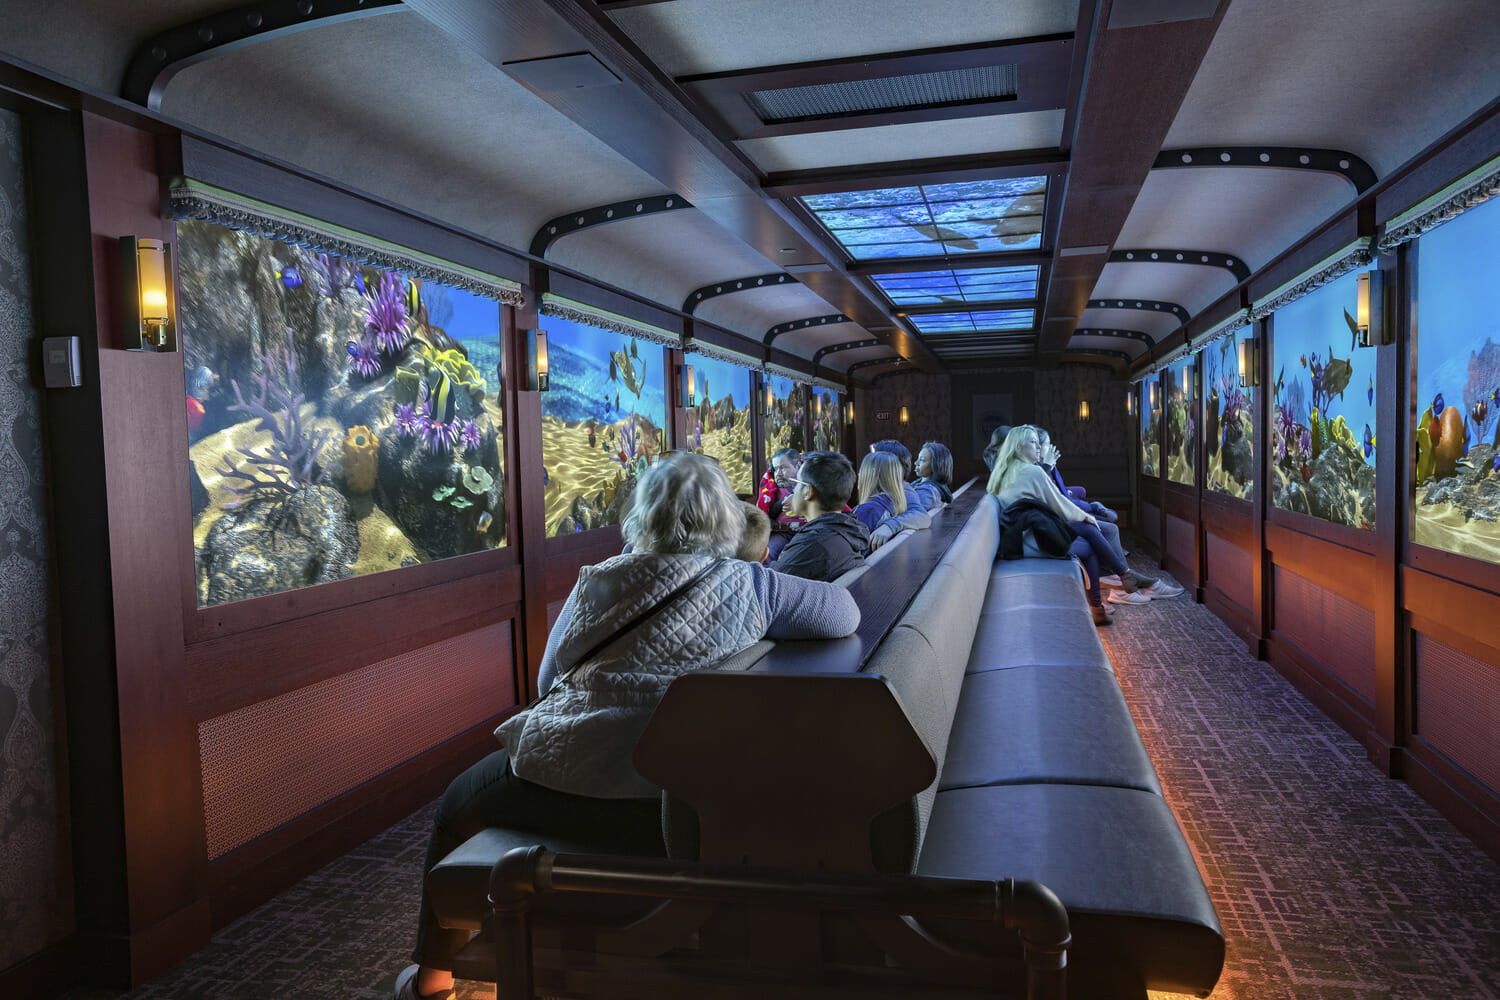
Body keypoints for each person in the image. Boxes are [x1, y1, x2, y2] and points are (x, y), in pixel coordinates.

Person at [396, 453, 860, 1000]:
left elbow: (548, 683)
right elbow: (845, 613)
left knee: (455, 804)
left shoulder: (600, 581)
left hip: (565, 779)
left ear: (643, 514)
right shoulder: (753, 585)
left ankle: (430, 981)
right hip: (670, 802)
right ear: (726, 520)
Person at [987, 425, 1130, 626]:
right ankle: (1114, 588)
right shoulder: (1031, 472)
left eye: (1039, 442)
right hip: (1027, 541)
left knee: (1087, 533)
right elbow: (1058, 504)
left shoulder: (1005, 471)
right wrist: (1087, 517)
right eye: (1033, 442)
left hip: (1016, 537)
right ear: (1018, 447)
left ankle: (1116, 586)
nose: (1038, 447)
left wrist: (1084, 518)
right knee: (1089, 544)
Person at [1031, 427, 1182, 601]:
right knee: (1108, 529)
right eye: (1047, 444)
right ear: (1038, 448)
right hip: (1056, 521)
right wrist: (1089, 508)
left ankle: (1127, 584)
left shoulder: (1047, 467)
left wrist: (1091, 506)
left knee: (1109, 527)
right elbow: (1056, 499)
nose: (1052, 448)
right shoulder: (1039, 469)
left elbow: (1063, 494)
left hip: (1064, 515)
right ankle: (1129, 585)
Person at [772, 451, 869, 581]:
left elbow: (769, 584)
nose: (794, 489)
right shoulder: (847, 530)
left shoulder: (813, 545)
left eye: (797, 483)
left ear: (808, 492)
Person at [853, 451, 931, 549]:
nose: (859, 474)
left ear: (872, 474)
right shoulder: (896, 504)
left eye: (862, 470)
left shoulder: (867, 511)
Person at [756, 447, 804, 559]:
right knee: (766, 555)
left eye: (783, 468)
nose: (779, 473)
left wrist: (799, 499)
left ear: (797, 466)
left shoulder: (809, 482)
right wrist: (782, 502)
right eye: (776, 469)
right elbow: (768, 513)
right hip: (782, 533)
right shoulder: (771, 487)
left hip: (807, 530)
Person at [912, 441, 954, 506]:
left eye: (922, 460)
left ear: (935, 466)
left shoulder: (926, 493)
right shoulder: (918, 484)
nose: (916, 463)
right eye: (918, 458)